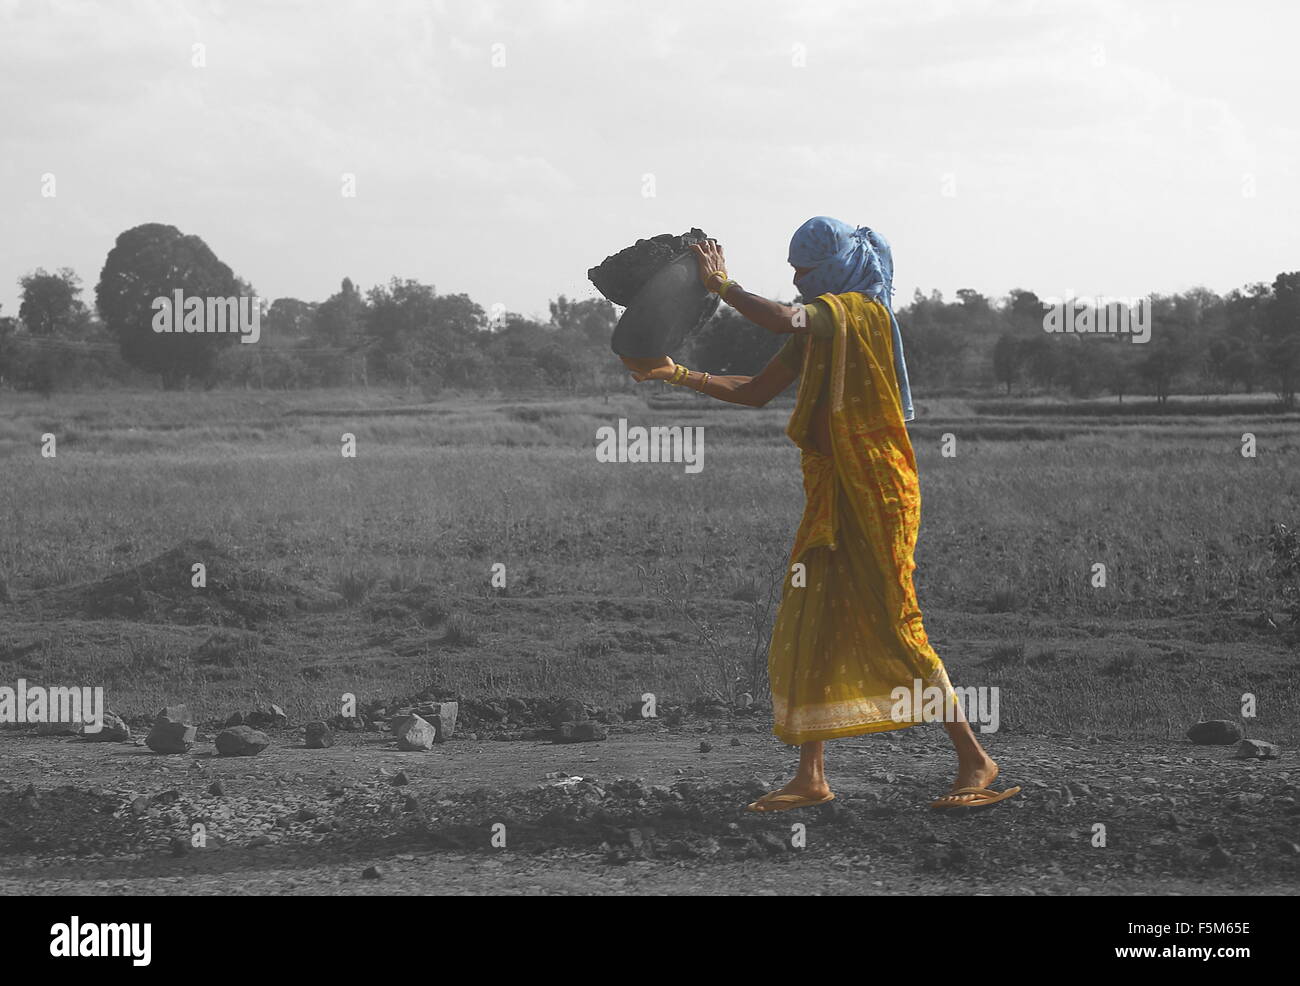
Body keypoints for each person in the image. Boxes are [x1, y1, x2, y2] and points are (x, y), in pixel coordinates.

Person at [621, 216, 1020, 811]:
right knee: (810, 617)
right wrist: (678, 374)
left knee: (896, 619)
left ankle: (975, 759)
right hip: (832, 491)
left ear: (835, 271)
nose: (794, 277)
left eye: (802, 269)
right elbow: (757, 390)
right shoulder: (819, 331)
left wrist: (722, 287)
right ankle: (811, 776)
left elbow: (784, 315)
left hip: (878, 489)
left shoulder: (859, 315)